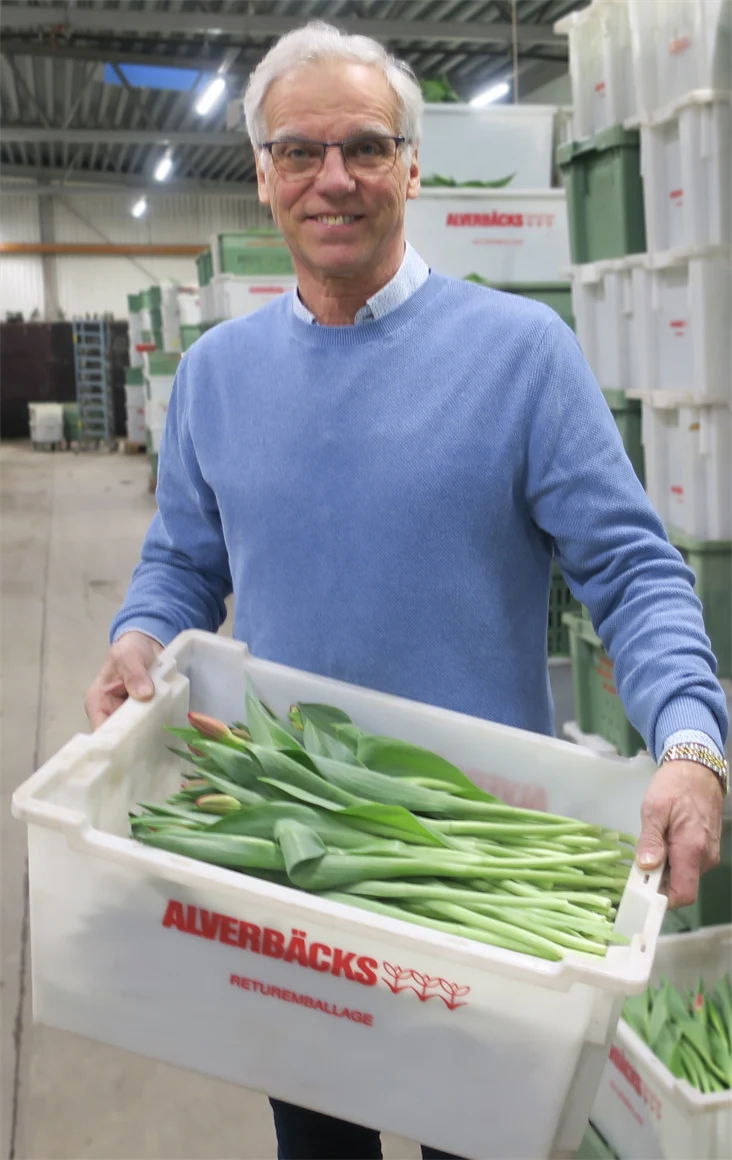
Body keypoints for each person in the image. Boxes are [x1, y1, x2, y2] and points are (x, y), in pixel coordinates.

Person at [86, 21, 728, 1160]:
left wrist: (691, 739)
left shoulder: (523, 353)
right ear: (266, 175)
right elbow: (187, 557)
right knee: (318, 1142)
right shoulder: (216, 376)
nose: (334, 178)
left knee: (485, 1142)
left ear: (412, 166)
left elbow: (634, 570)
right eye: (301, 151)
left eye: (367, 147)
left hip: (475, 848)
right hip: (300, 852)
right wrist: (142, 632)